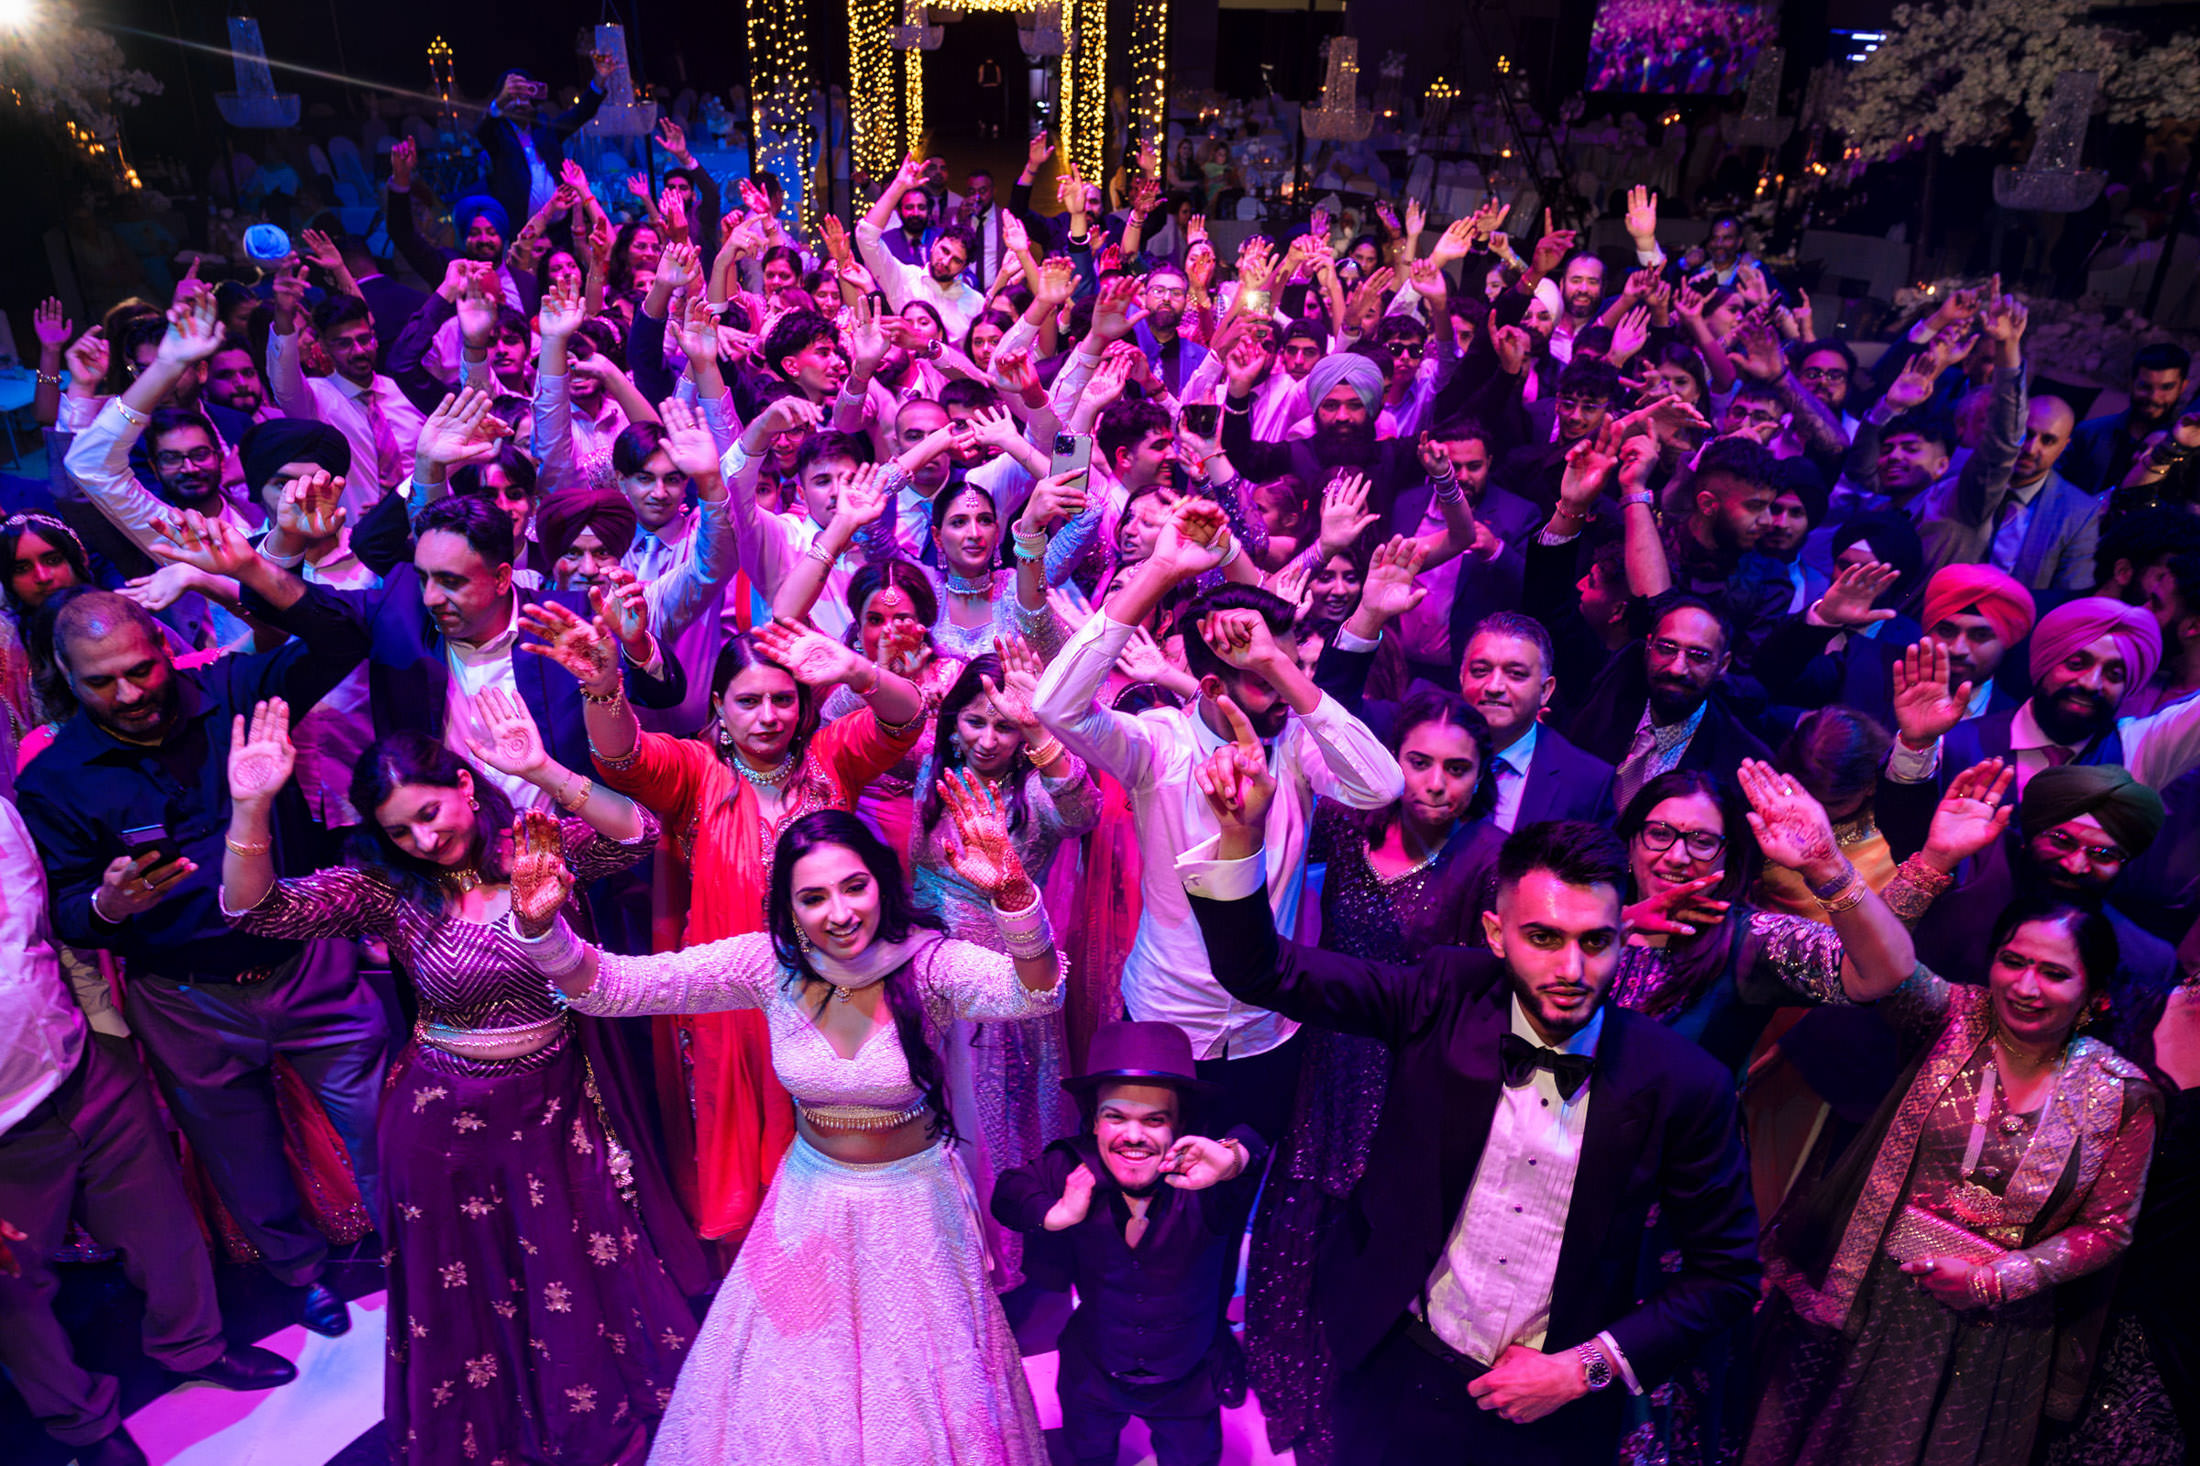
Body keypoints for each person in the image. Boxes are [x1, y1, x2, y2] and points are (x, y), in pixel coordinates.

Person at [1180, 770, 1760, 1466]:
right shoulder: (1440, 995)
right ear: (1495, 932)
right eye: (1543, 937)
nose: (1571, 967)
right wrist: (1241, 837)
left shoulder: (1682, 1083)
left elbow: (1726, 1276)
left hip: (1553, 1411)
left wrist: (1585, 1369)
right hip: (1393, 1365)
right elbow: (1263, 972)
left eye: (1595, 942)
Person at [506, 805, 1065, 1464]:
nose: (840, 912)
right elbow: (612, 989)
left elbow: (1036, 994)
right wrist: (542, 929)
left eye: (854, 886)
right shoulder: (766, 966)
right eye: (813, 897)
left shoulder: (928, 964)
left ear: (881, 881)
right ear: (789, 907)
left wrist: (1015, 899)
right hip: (811, 1203)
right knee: (797, 1384)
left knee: (919, 1390)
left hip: (914, 1205)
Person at [219, 706, 702, 1466]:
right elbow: (258, 912)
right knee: (473, 1289)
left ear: (466, 787)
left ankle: (583, 1419)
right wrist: (251, 808)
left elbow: (637, 833)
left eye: (428, 814)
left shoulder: (538, 846)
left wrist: (544, 770)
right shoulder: (390, 890)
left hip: (557, 1107)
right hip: (446, 1128)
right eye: (399, 831)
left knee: (571, 1270)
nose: (422, 841)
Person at [14, 557, 383, 1339]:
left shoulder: (234, 690)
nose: (130, 694)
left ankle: (419, 1249)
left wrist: (231, 571)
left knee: (379, 1122)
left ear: (161, 644)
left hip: (306, 964)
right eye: (101, 683)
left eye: (140, 669)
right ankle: (300, 1275)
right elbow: (68, 915)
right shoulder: (56, 779)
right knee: (242, 1155)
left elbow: (342, 635)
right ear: (65, 678)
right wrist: (108, 904)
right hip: (185, 999)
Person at [1032, 497, 1404, 1142]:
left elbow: (1381, 786)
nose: (1281, 689)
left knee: (1247, 1178)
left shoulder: (1296, 741)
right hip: (1168, 1014)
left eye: (1286, 668)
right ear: (1209, 688)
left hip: (1270, 1022)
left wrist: (1276, 667)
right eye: (1259, 677)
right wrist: (1159, 571)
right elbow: (1056, 705)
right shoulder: (1160, 745)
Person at [1743, 899, 2158, 1466]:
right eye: (2013, 961)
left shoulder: (2122, 1094)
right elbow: (1878, 959)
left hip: (1992, 1336)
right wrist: (1831, 870)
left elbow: (2107, 1229)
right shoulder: (1950, 1015)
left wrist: (1996, 1281)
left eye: (2055, 973)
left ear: (2096, 994)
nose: (2026, 986)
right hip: (1866, 1300)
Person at [1244, 689, 1507, 1466]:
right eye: (1418, 761)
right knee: (1294, 1234)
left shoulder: (1487, 859)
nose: (1435, 783)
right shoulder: (1349, 822)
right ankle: (1285, 1399)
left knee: (1369, 1247)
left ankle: (1344, 1418)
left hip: (1411, 1075)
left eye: (1457, 769)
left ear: (1480, 776)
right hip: (1327, 1060)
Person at [0, 792, 297, 1466]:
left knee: (163, 1232)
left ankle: (194, 1350)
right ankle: (81, 1426)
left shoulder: (2, 814)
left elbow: (48, 936)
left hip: (81, 1066)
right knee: (16, 1294)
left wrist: (106, 1037)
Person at [993, 1020, 1266, 1466]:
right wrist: (1055, 1214)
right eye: (1116, 1116)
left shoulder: (1208, 1175)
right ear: (1094, 1124)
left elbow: (1255, 1144)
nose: (1134, 1136)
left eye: (1154, 1120)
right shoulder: (1071, 1163)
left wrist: (1234, 1157)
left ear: (1179, 1127)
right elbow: (1008, 1191)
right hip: (1093, 1374)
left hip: (1187, 1380)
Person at [911, 644, 1099, 1290]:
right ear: (951, 721)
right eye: (974, 721)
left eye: (1005, 725)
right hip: (930, 977)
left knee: (994, 1122)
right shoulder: (934, 776)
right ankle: (945, 1257)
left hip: (1006, 980)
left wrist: (1043, 732)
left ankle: (1003, 1267)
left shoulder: (1035, 791)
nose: (988, 739)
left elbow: (1084, 814)